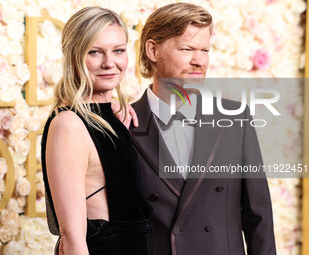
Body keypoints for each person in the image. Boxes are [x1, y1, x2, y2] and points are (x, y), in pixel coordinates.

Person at [129, 3, 277, 255]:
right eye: (187, 49)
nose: (199, 61)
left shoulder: (235, 119)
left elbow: (259, 218)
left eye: (205, 50)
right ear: (152, 50)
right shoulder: (123, 125)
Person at [41, 7, 152, 255]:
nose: (109, 63)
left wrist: (110, 107)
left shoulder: (108, 116)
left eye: (119, 51)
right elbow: (72, 238)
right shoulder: (68, 124)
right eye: (95, 52)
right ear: (74, 57)